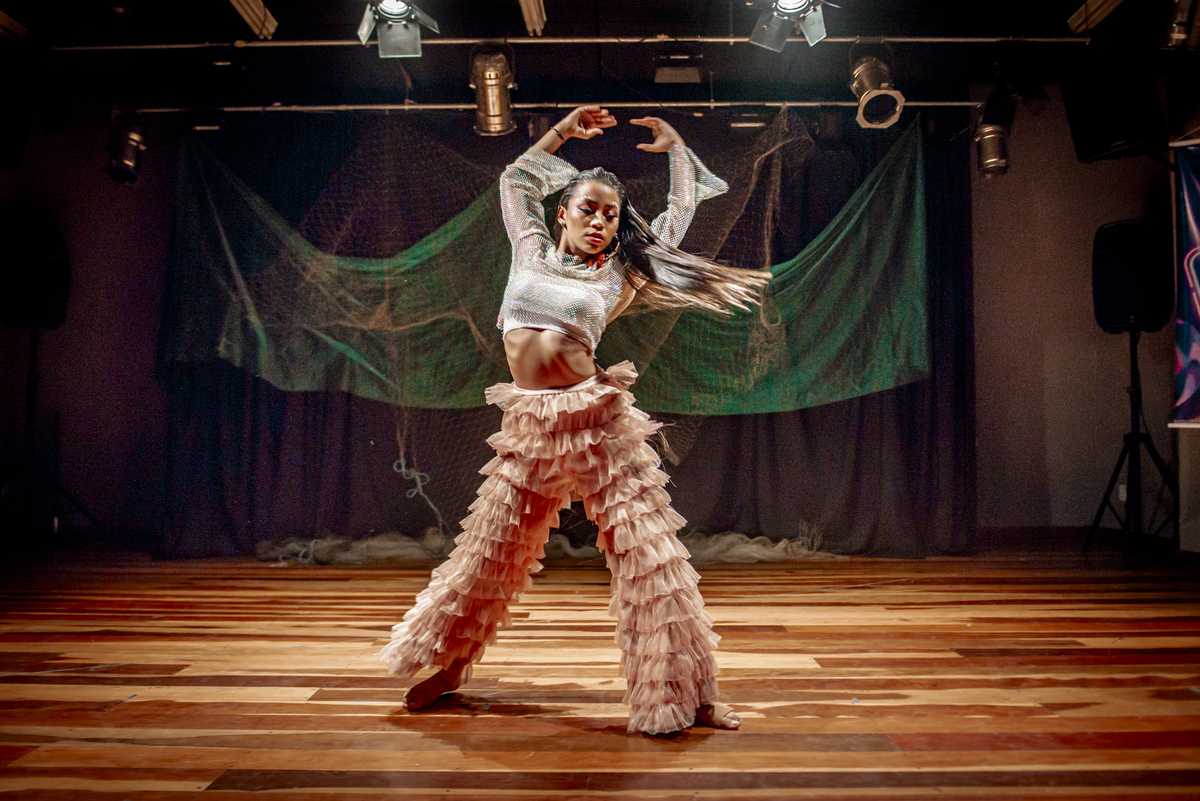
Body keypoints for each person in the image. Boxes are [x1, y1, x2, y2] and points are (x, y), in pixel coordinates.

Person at [380, 105, 769, 734]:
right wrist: (562, 131)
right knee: (490, 553)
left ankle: (694, 696)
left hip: (596, 423)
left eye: (611, 215)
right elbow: (515, 180)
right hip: (530, 426)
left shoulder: (620, 273)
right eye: (588, 209)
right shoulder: (528, 249)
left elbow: (675, 217)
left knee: (651, 560)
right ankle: (450, 670)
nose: (599, 222)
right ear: (561, 212)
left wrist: (677, 150)